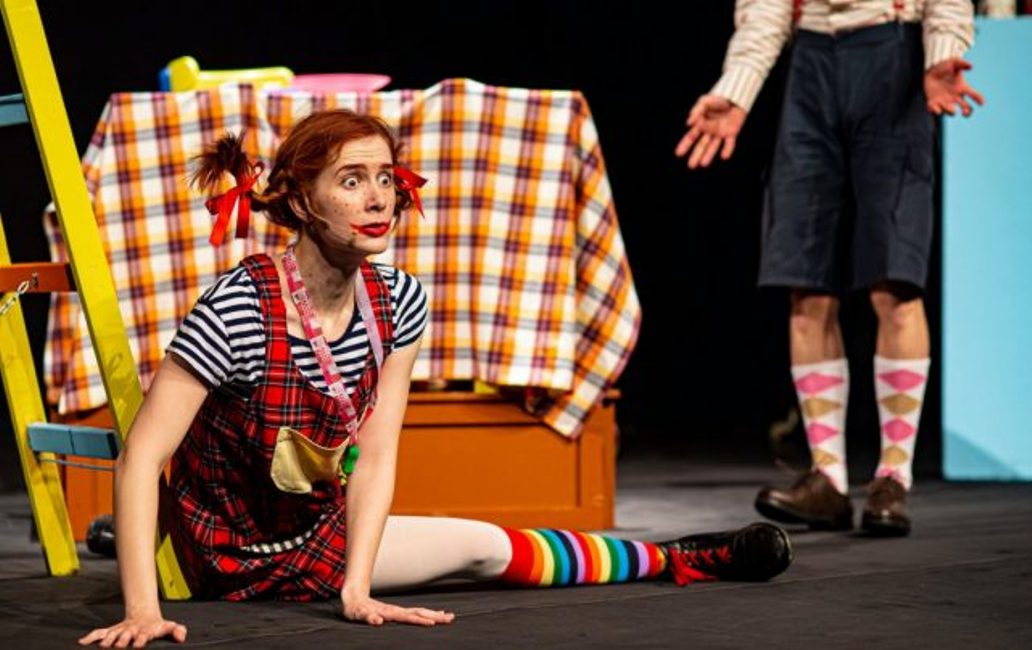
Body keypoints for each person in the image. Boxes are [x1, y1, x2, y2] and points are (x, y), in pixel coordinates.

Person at [79, 109, 792, 647]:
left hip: (318, 532)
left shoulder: (399, 301)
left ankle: (673, 558)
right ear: (300, 202)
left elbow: (376, 451)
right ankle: (132, 541)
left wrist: (357, 586)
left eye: (385, 178)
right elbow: (143, 456)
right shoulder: (237, 308)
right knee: (466, 544)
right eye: (351, 181)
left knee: (483, 547)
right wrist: (142, 609)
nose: (379, 198)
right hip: (222, 548)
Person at [675, 0, 984, 536]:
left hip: (892, 53)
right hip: (812, 64)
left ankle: (893, 476)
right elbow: (765, 10)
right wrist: (737, 89)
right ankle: (828, 479)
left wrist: (942, 52)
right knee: (806, 285)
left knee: (894, 283)